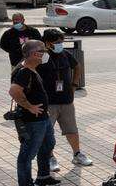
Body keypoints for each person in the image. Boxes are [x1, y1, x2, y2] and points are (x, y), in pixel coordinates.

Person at [9, 40, 60, 186]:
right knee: (27, 154)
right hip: (32, 121)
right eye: (42, 50)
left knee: (48, 144)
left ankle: (43, 177)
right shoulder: (24, 71)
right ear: (33, 54)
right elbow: (14, 91)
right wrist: (29, 106)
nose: (45, 53)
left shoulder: (31, 68)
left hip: (42, 118)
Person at [38, 29, 92, 171]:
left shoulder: (65, 54)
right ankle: (49, 157)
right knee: (47, 132)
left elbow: (77, 66)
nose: (60, 45)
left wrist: (74, 85)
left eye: (61, 42)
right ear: (48, 43)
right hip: (48, 102)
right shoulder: (41, 57)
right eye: (57, 43)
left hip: (66, 100)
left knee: (71, 129)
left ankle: (77, 154)